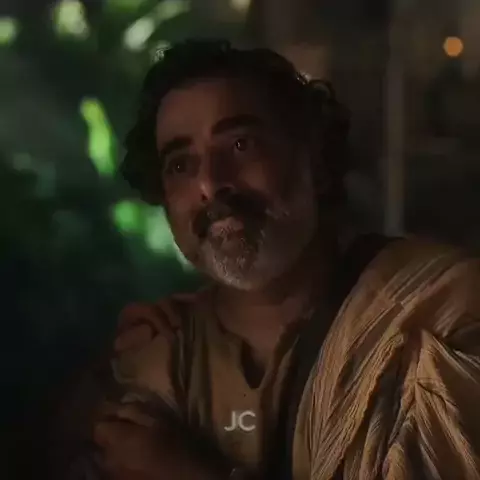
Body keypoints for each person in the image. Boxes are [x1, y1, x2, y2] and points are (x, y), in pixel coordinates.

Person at [52, 40, 480, 480]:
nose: (210, 183)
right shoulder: (157, 357)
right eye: (180, 165)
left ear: (315, 161)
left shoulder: (440, 315)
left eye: (241, 144)